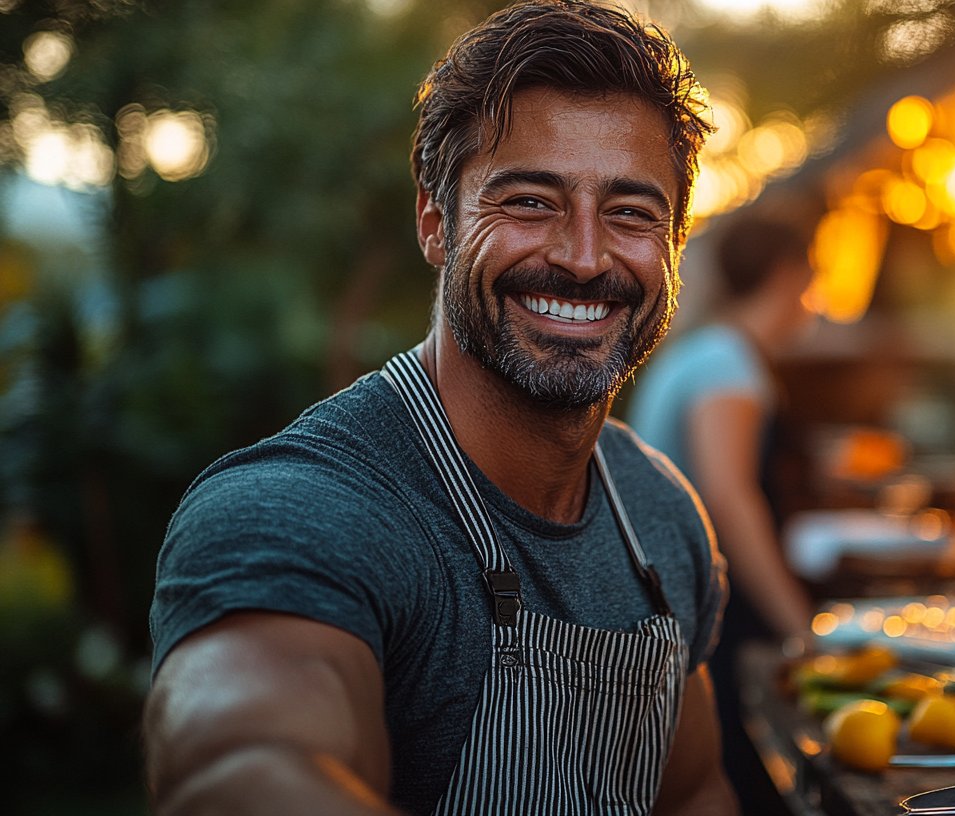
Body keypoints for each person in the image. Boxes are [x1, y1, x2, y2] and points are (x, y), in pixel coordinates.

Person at [142, 3, 736, 814]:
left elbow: (695, 794)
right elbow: (235, 763)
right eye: (530, 201)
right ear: (436, 222)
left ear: (672, 246)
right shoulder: (301, 511)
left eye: (631, 213)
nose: (584, 255)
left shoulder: (663, 515)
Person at [627, 214, 816, 813]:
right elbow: (730, 498)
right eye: (813, 280)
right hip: (709, 618)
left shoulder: (711, 352)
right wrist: (798, 626)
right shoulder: (728, 366)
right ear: (787, 276)